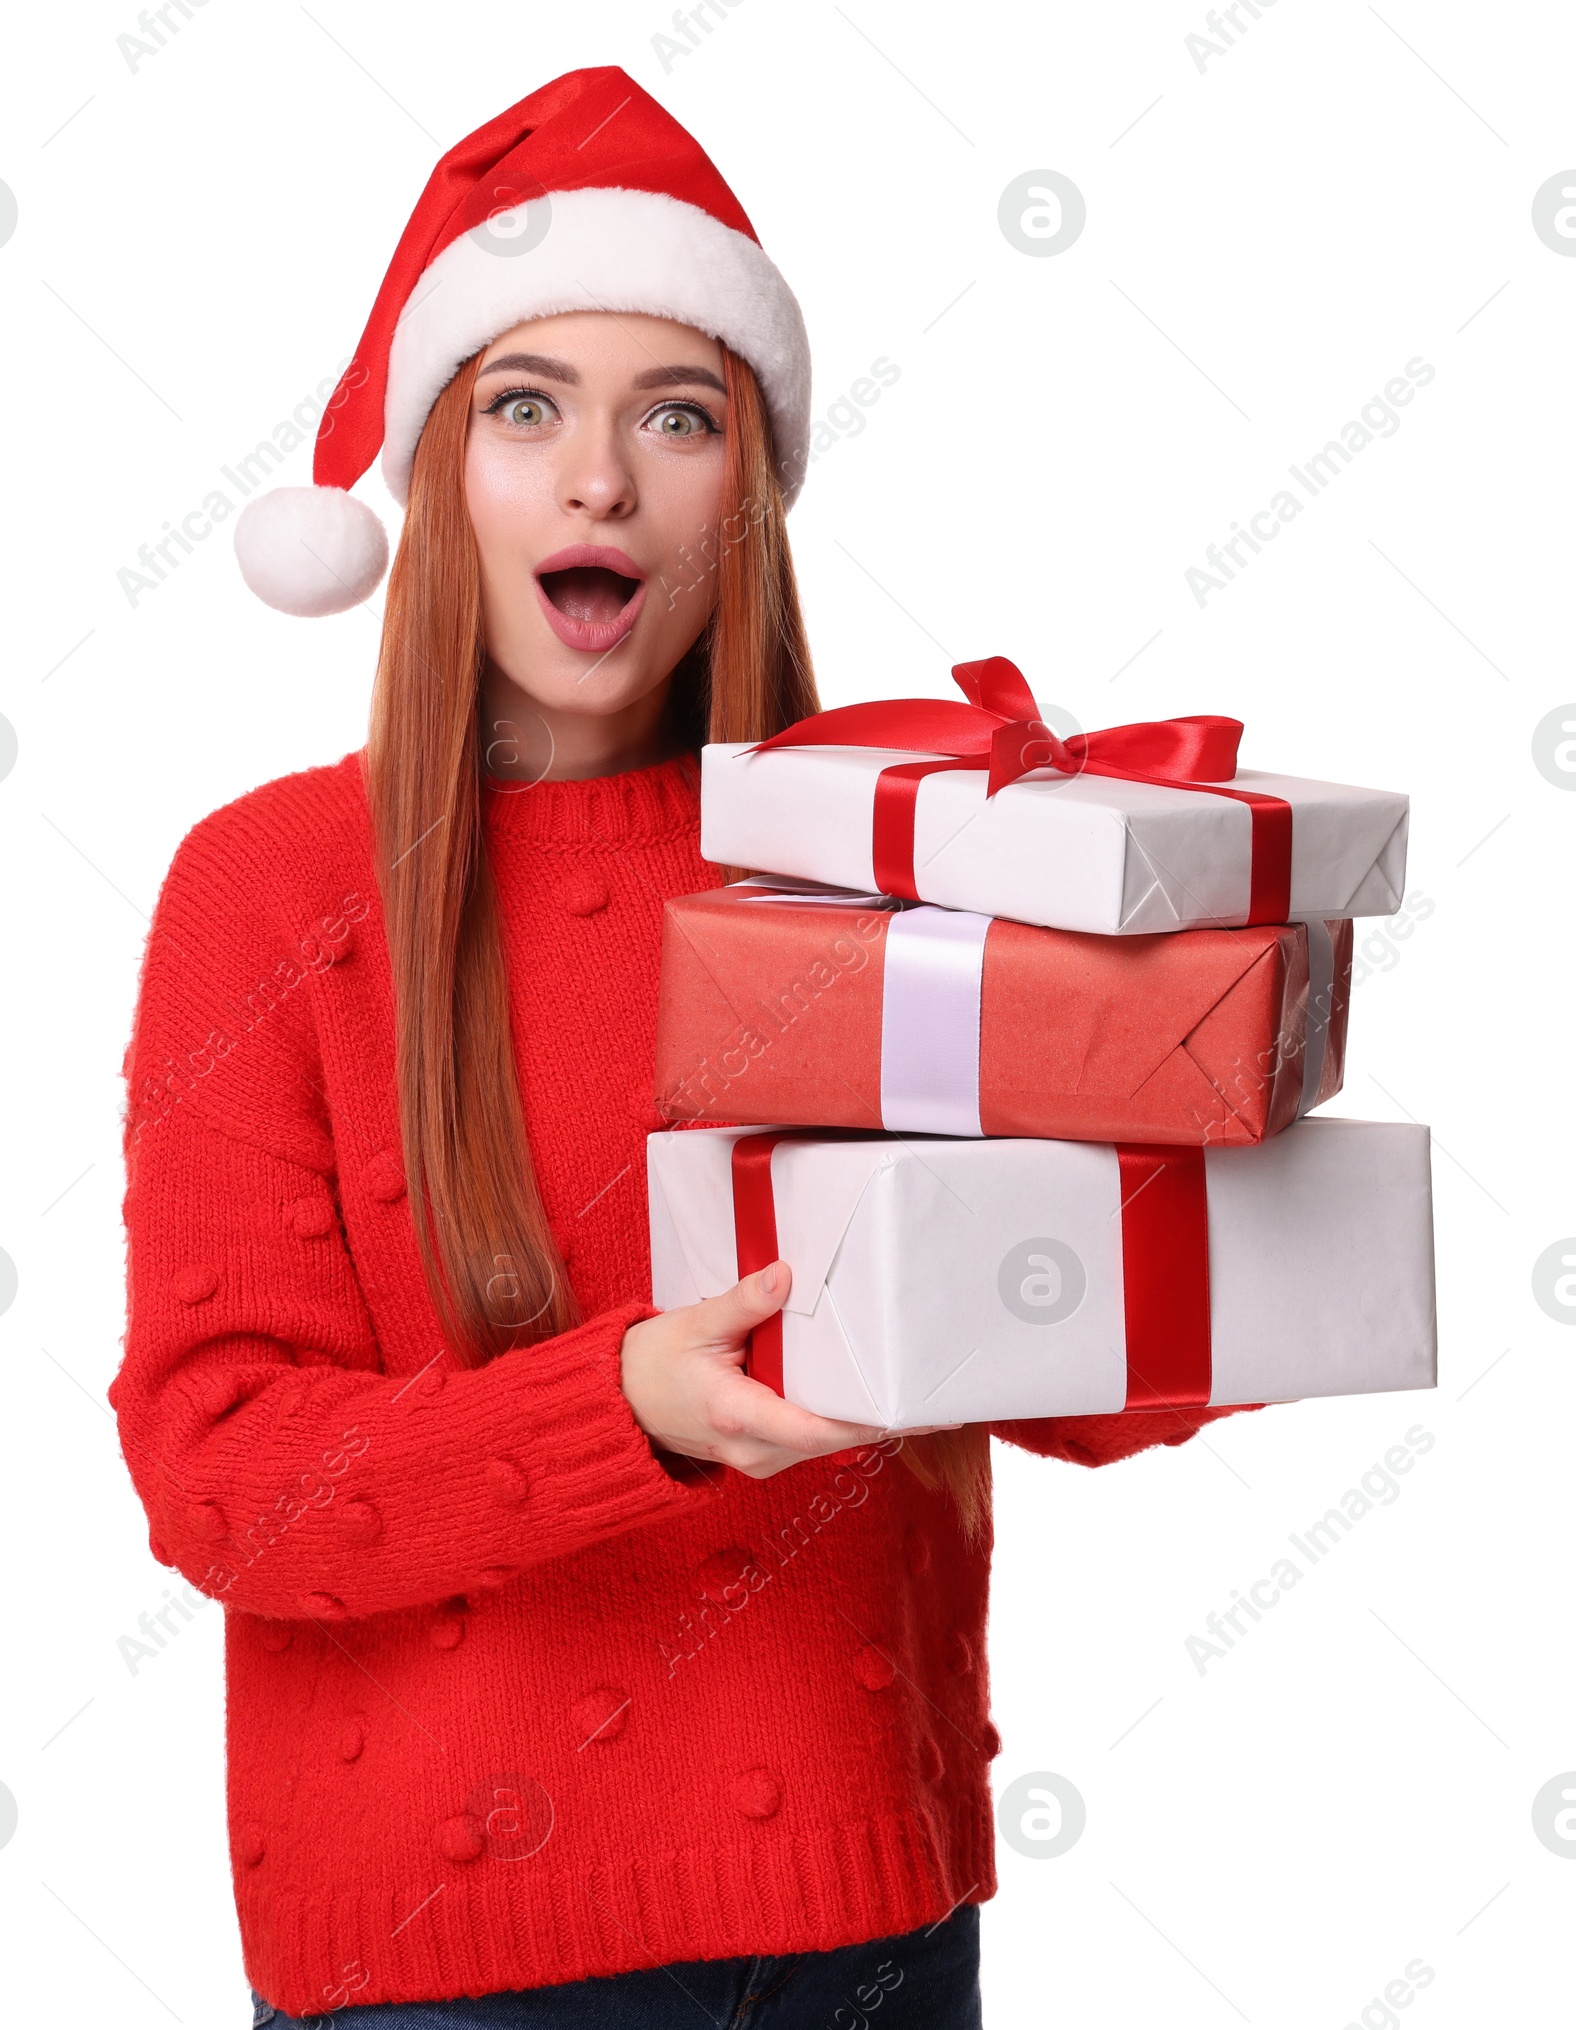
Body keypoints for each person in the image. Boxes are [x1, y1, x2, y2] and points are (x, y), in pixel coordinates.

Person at [108, 66, 1251, 2029]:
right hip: (451, 1971)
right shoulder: (268, 887)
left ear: (754, 491)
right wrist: (622, 1404)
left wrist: (1202, 1198)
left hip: (871, 1921)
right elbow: (224, 1478)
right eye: (526, 409)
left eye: (678, 416)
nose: (598, 483)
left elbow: (1031, 1373)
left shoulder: (891, 850)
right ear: (437, 472)